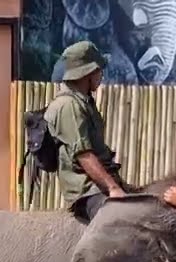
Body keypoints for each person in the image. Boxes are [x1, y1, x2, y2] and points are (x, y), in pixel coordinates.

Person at [43, 40, 127, 223]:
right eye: (98, 70)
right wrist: (113, 189)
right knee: (122, 223)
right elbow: (84, 155)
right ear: (87, 73)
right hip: (88, 192)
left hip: (99, 185)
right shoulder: (68, 106)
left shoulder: (83, 101)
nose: (101, 75)